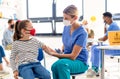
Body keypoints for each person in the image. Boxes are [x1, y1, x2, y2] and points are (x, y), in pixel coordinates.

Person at [49, 5, 89, 79]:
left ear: (75, 18)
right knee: (54, 66)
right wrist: (59, 52)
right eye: (63, 17)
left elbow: (73, 56)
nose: (64, 20)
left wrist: (54, 54)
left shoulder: (82, 33)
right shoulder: (66, 27)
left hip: (79, 61)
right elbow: (65, 45)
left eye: (66, 18)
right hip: (67, 60)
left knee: (61, 65)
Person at [87, 12, 120, 77]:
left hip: (116, 49)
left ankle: (96, 68)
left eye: (104, 19)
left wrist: (98, 39)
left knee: (96, 49)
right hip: (114, 46)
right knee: (93, 47)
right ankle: (96, 66)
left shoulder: (113, 26)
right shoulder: (112, 25)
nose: (103, 20)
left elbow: (104, 38)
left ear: (107, 17)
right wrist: (105, 27)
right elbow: (106, 35)